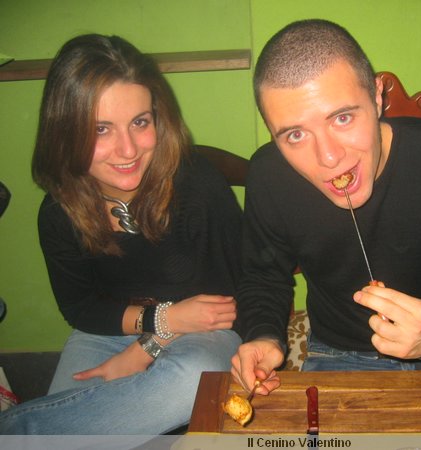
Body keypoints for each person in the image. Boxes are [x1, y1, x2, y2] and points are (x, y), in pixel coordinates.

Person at [230, 19, 421, 395]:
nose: (329, 158)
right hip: (339, 355)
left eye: (342, 118)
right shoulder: (269, 175)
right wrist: (263, 337)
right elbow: (263, 278)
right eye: (296, 135)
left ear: (378, 95)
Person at [0, 34, 243, 434]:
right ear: (65, 133)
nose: (127, 150)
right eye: (101, 129)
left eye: (139, 122)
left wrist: (147, 347)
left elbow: (225, 302)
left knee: (193, 380)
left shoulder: (199, 186)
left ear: (157, 118)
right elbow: (82, 308)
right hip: (111, 331)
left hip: (206, 331)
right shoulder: (59, 212)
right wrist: (160, 320)